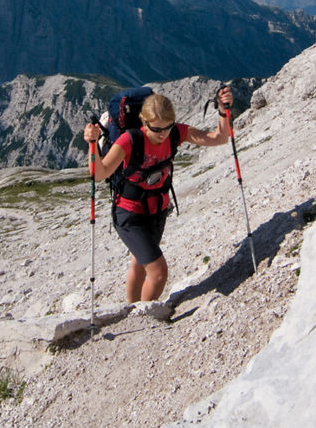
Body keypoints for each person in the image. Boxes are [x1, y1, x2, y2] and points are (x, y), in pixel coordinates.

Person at [84, 86, 234, 303]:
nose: (163, 134)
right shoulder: (129, 140)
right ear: (144, 121)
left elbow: (219, 138)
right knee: (158, 272)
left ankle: (132, 308)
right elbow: (100, 173)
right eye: (156, 129)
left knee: (139, 262)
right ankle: (145, 313)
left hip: (158, 211)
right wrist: (92, 145)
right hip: (129, 214)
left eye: (167, 127)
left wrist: (223, 110)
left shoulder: (176, 133)